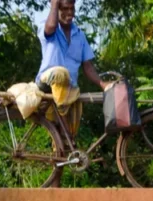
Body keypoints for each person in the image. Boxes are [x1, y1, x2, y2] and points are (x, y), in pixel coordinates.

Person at [36, 0, 107, 138]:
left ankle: (63, 153)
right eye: (64, 9)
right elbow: (50, 26)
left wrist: (103, 84)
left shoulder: (79, 35)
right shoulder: (48, 26)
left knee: (67, 140)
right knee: (61, 73)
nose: (69, 13)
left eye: (72, 8)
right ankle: (64, 127)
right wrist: (55, 4)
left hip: (69, 90)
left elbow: (88, 66)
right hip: (48, 82)